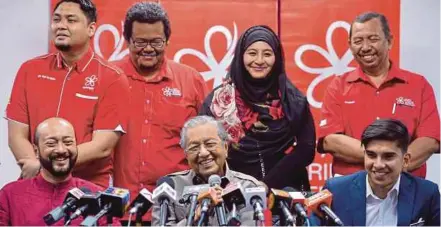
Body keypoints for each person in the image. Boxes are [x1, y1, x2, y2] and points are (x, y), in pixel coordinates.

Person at [5, 0, 130, 188]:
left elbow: (102, 146)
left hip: (87, 189)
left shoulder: (112, 78)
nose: (61, 26)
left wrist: (46, 165)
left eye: (71, 20)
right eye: (57, 20)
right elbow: (17, 135)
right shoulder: (29, 70)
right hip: (35, 185)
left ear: (91, 29)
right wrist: (38, 169)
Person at [113, 2, 208, 223]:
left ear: (167, 40)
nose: (148, 49)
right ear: (127, 41)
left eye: (156, 41)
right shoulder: (109, 77)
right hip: (120, 207)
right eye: (140, 42)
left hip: (178, 210)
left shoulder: (191, 80)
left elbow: (207, 144)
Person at [318, 11, 440, 178]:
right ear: (350, 45)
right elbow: (331, 140)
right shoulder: (338, 86)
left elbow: (430, 139)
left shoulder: (419, 85)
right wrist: (386, 158)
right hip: (351, 189)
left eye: (373, 39)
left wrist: (395, 164)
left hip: (407, 188)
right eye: (358, 41)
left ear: (389, 41)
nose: (366, 47)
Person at [200, 25, 315, 191]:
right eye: (252, 53)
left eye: (267, 54)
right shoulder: (218, 102)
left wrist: (266, 185)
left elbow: (306, 149)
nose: (259, 60)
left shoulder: (293, 100)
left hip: (286, 193)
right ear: (241, 56)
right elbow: (207, 147)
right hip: (233, 194)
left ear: (277, 58)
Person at [311, 119, 440, 226]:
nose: (378, 165)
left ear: (405, 160)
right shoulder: (336, 190)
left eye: (388, 156)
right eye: (371, 155)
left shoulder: (427, 194)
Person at [0, 118, 120, 226]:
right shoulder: (10, 194)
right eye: (51, 144)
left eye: (68, 142)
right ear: (36, 150)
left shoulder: (97, 196)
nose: (61, 150)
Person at [151, 116, 262, 226]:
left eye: (210, 144)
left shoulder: (248, 186)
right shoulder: (171, 186)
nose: (203, 153)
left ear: (226, 148)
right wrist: (193, 218)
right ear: (186, 155)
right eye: (194, 148)